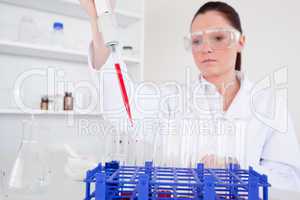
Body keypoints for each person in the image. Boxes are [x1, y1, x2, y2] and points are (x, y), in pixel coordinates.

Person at [79, 0, 300, 191]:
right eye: (196, 41)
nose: (206, 48)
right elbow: (120, 109)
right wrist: (99, 21)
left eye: (218, 38)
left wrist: (237, 171)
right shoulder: (172, 100)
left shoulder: (268, 104)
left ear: (241, 42)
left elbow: (289, 179)